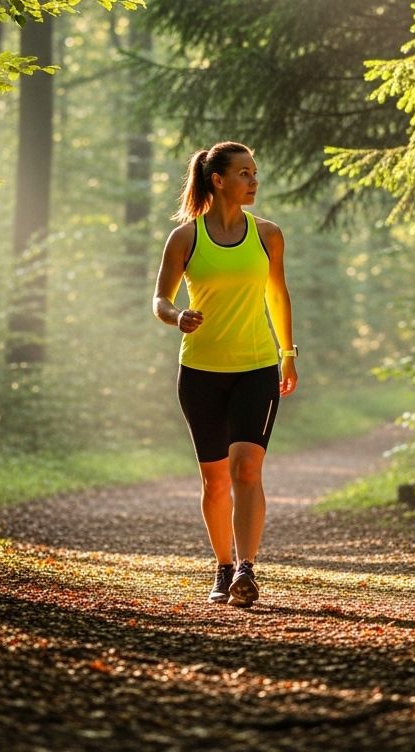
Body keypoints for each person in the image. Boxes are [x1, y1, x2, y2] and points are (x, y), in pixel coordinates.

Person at [153, 141, 298, 607]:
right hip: (200, 372)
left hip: (257, 367)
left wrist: (288, 353)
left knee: (247, 469)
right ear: (218, 180)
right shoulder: (185, 238)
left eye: (255, 172)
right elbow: (160, 299)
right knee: (215, 481)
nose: (254, 181)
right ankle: (222, 565)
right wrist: (177, 316)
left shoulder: (268, 235)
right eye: (244, 173)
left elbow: (278, 295)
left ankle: (246, 568)